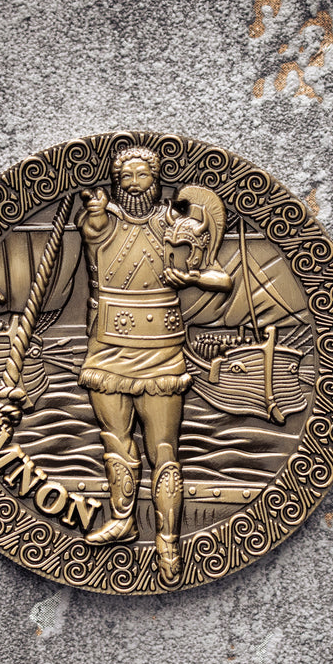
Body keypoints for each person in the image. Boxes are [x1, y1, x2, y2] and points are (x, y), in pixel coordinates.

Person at [77, 145, 232, 584]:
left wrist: (193, 276)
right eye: (124, 175)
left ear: (156, 178)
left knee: (163, 450)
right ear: (115, 182)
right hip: (107, 343)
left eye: (141, 174)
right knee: (116, 442)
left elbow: (222, 278)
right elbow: (93, 229)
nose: (132, 183)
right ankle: (123, 521)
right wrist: (95, 212)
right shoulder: (103, 219)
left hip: (161, 346)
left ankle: (168, 541)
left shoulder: (175, 223)